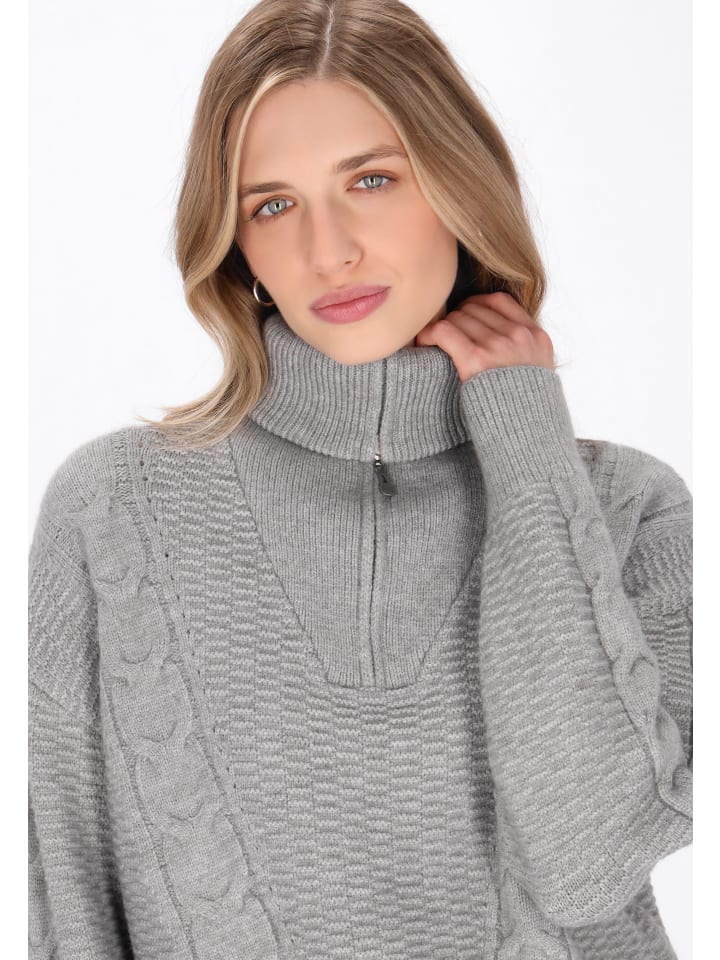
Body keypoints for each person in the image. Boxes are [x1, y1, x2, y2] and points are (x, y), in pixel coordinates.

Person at [28, 0, 692, 957]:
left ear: (460, 184)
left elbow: (590, 864)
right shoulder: (113, 509)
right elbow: (66, 912)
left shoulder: (632, 507)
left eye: (372, 180)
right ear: (235, 242)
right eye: (272, 204)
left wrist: (527, 448)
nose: (328, 250)